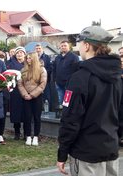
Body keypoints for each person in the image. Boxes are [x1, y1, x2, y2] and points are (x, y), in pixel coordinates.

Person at [57, 26, 123, 176]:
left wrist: (62, 152)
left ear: (86, 45)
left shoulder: (80, 77)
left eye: (79, 43)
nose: (78, 47)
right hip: (110, 148)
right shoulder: (117, 76)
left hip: (86, 153)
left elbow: (70, 119)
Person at [17, 52, 47, 146]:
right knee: (27, 117)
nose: (28, 60)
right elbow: (20, 84)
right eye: (27, 58)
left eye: (30, 58)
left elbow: (42, 84)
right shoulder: (23, 70)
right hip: (26, 97)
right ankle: (28, 136)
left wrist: (32, 95)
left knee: (37, 117)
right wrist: (25, 94)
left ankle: (36, 137)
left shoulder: (41, 69)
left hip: (37, 97)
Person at [6, 46, 26, 140]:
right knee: (16, 112)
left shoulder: (28, 63)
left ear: (24, 54)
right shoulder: (10, 64)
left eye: (21, 52)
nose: (19, 54)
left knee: (26, 112)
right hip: (15, 91)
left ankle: (27, 132)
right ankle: (17, 132)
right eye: (18, 53)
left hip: (26, 90)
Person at [53, 41, 79, 108]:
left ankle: (67, 116)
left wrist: (73, 82)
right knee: (61, 102)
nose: (63, 47)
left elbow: (76, 71)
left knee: (67, 103)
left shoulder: (74, 57)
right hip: (59, 84)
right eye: (62, 46)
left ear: (69, 47)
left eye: (65, 45)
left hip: (68, 84)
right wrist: (54, 80)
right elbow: (54, 69)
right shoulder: (57, 57)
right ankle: (62, 115)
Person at [0, 50, 9, 145]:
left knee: (3, 115)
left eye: (2, 57)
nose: (1, 59)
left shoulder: (6, 67)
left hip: (4, 95)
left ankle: (0, 134)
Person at [35, 43, 52, 109]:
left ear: (42, 49)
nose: (38, 50)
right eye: (37, 49)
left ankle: (47, 111)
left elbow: (50, 68)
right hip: (35, 81)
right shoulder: (33, 57)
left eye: (39, 48)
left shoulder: (47, 57)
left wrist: (42, 73)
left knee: (46, 97)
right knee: (37, 96)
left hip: (45, 81)